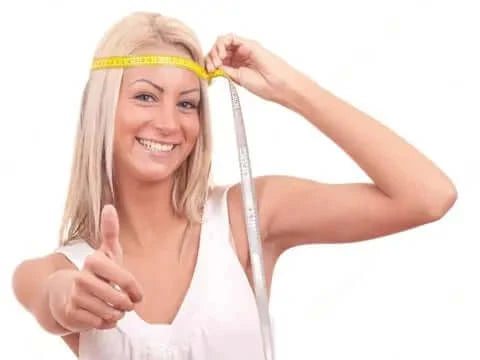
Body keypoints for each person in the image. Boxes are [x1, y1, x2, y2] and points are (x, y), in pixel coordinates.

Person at [11, 10, 457, 360]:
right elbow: (48, 299)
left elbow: (428, 196)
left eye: (188, 104)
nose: (169, 123)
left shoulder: (247, 218)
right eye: (146, 96)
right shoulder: (57, 270)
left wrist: (288, 88)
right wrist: (67, 299)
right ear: (104, 107)